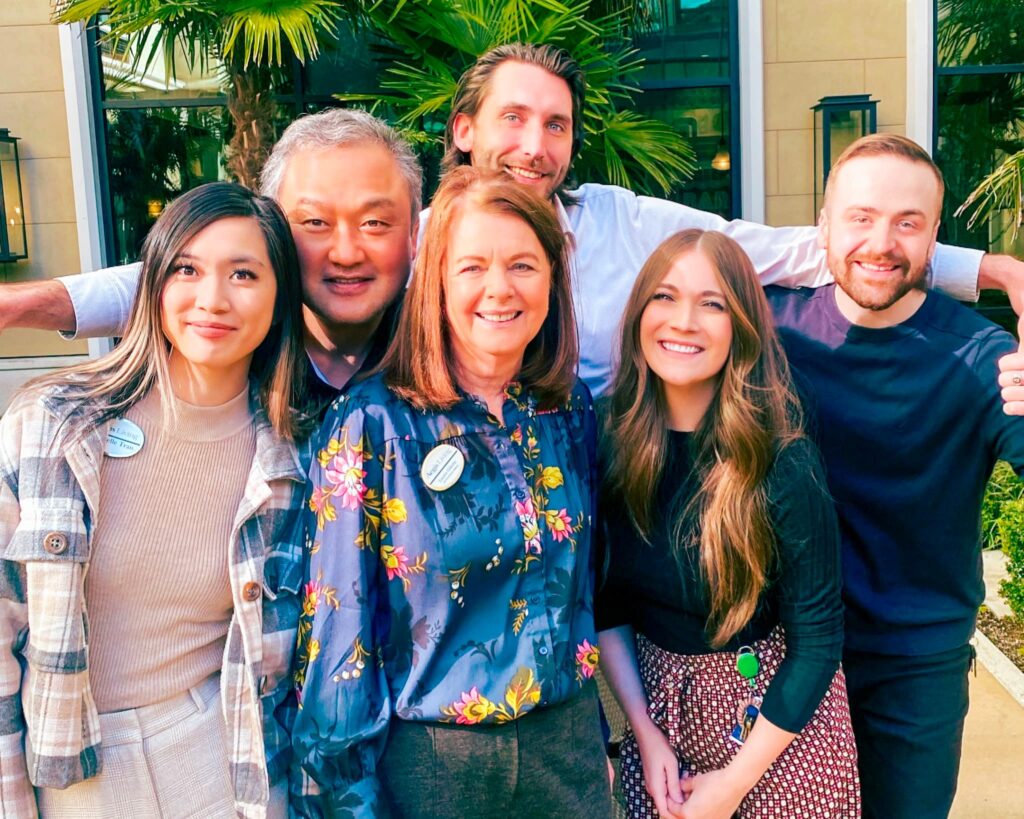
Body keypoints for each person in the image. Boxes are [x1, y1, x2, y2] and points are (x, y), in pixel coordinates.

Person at [4, 46, 1021, 399]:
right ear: (463, 130)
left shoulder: (622, 220)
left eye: (556, 126)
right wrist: (33, 304)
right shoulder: (404, 234)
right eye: (514, 120)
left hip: (611, 498)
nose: (535, 144)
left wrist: (992, 272)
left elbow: (807, 248)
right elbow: (213, 274)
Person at [290, 167, 611, 818]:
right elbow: (337, 648)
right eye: (472, 267)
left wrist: (596, 739)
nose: (499, 289)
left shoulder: (568, 409)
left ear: (552, 279)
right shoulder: (371, 424)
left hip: (566, 749)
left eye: (523, 264)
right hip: (436, 769)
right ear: (435, 282)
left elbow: (585, 587)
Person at [0, 181, 309, 817]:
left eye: (244, 274)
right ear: (155, 287)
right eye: (187, 270)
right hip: (76, 770)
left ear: (280, 300)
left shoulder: (290, 457)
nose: (212, 300)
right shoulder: (53, 424)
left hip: (219, 756)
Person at [764, 133, 1024, 819]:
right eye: (860, 217)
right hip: (781, 650)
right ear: (822, 225)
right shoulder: (766, 332)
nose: (881, 242)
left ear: (935, 236)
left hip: (915, 665)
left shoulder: (979, 357)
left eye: (907, 223)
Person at [597, 229, 859, 819]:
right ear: (639, 314)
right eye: (664, 297)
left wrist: (735, 783)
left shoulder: (781, 460)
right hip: (658, 723)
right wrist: (643, 730)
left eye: (711, 303)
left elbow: (817, 642)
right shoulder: (610, 442)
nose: (683, 321)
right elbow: (605, 603)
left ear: (741, 325)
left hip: (777, 731)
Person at [0, 107, 422, 410]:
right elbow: (164, 283)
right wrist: (16, 305)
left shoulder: (448, 348)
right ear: (272, 234)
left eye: (374, 223)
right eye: (313, 222)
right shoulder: (234, 351)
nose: (346, 253)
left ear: (414, 234)